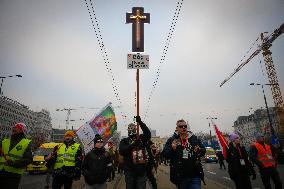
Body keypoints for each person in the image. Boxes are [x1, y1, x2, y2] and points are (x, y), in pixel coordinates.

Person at [162, 119, 206, 189]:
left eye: (185, 126)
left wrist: (199, 150)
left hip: (195, 175)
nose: (183, 128)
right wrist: (172, 149)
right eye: (181, 126)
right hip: (181, 177)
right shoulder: (172, 140)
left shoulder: (194, 138)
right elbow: (165, 154)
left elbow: (203, 150)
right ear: (177, 128)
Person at [119, 116, 151, 189]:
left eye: (133, 128)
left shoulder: (141, 138)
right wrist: (132, 145)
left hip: (141, 171)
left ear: (136, 129)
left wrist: (140, 122)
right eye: (129, 128)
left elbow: (148, 134)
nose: (131, 130)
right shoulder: (124, 141)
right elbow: (122, 151)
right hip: (129, 171)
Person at [0, 122, 33, 189]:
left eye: (16, 127)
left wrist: (13, 163)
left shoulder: (26, 143)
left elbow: (28, 159)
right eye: (14, 127)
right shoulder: (5, 141)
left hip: (13, 175)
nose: (13, 128)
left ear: (21, 130)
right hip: (1, 172)